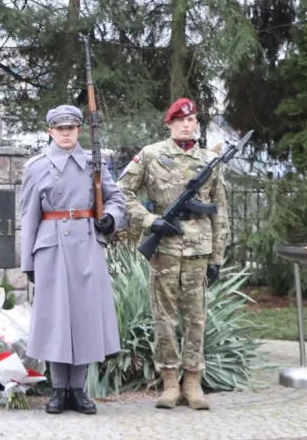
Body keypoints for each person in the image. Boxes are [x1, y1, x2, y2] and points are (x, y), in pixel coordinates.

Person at [115, 97, 229, 411]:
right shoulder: (151, 155)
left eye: (191, 120)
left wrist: (217, 257)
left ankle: (192, 383)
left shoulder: (210, 161)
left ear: (197, 124)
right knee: (163, 318)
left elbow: (220, 213)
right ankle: (168, 382)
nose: (185, 125)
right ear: (169, 123)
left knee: (196, 318)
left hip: (198, 250)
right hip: (163, 248)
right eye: (179, 120)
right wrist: (151, 220)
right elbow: (121, 192)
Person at [19, 105, 126, 415]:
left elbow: (116, 198)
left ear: (79, 130)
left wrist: (110, 218)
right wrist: (28, 261)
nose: (66, 133)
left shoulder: (95, 163)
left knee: (84, 317)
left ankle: (78, 390)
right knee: (55, 319)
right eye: (59, 128)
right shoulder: (37, 167)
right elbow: (29, 216)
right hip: (51, 247)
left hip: (86, 243)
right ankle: (58, 390)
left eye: (71, 128)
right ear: (50, 131)